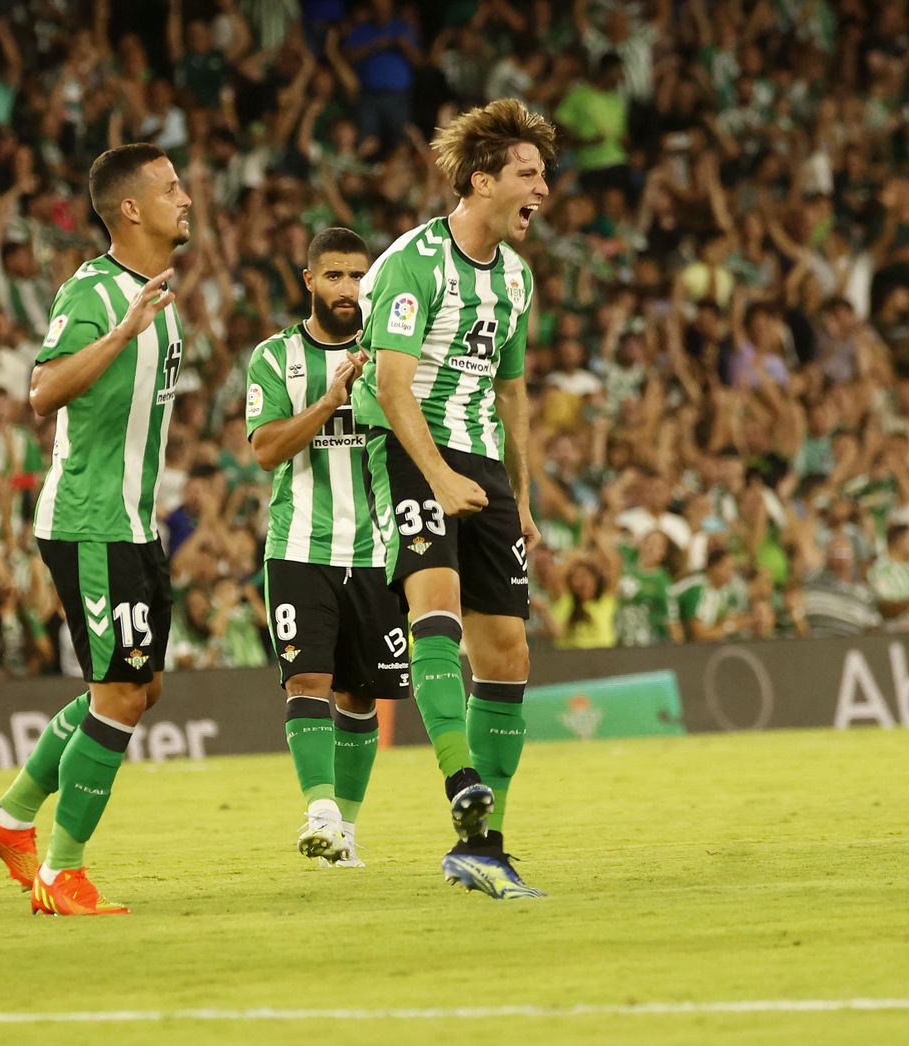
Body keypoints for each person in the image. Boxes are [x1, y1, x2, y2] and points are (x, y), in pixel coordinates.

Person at [0, 143, 189, 916]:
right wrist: (122, 332)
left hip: (131, 522)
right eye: (170, 188)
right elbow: (42, 389)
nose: (186, 197)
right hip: (89, 519)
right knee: (120, 694)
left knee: (141, 687)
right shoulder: (95, 291)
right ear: (131, 209)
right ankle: (61, 872)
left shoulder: (157, 291)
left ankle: (7, 817)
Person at [352, 98, 555, 900]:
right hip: (408, 448)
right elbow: (391, 384)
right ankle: (457, 779)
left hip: (482, 466)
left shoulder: (516, 278)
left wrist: (524, 500)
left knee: (507, 652)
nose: (543, 187)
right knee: (434, 609)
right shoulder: (412, 262)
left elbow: (514, 395)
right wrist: (435, 475)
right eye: (529, 173)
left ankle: (482, 846)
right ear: (482, 180)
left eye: (544, 173)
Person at [244, 227, 410, 868]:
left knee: (360, 695)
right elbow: (265, 449)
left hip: (378, 549)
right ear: (309, 280)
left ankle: (344, 833)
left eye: (359, 277)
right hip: (299, 546)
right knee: (308, 680)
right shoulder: (275, 357)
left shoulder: (390, 353)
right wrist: (328, 402)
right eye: (336, 276)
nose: (350, 289)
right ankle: (320, 810)